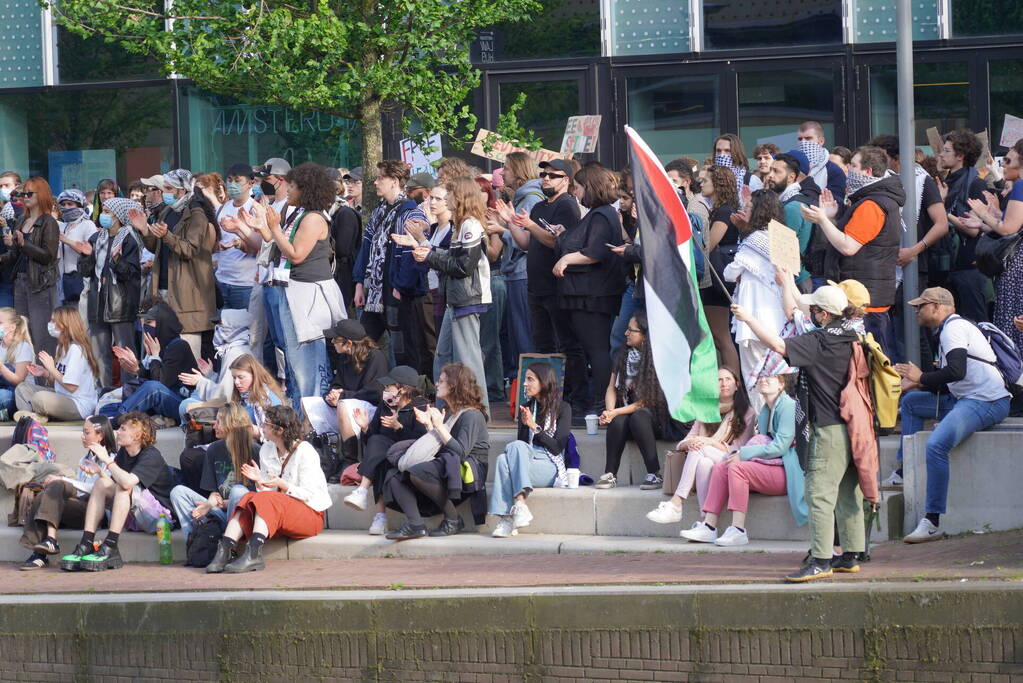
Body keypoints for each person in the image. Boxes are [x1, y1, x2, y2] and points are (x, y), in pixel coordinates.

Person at [731, 285, 866, 582]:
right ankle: (852, 554)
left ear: (824, 314)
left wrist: (749, 320)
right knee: (847, 490)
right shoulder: (853, 334)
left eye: (814, 310)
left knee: (818, 493)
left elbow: (780, 346)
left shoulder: (820, 340)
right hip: (854, 426)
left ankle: (821, 560)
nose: (811, 314)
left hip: (828, 429)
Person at [892, 287, 1011, 541]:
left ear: (937, 307)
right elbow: (957, 377)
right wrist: (920, 384)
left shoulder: (953, 328)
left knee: (936, 446)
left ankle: (932, 521)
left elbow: (956, 371)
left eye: (920, 306)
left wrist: (921, 376)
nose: (916, 311)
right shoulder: (950, 328)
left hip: (986, 400)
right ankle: (903, 471)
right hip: (966, 397)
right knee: (912, 403)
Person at [239, 163, 346, 409]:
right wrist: (262, 227)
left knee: (308, 360)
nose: (288, 190)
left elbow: (296, 254)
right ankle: (300, 412)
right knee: (294, 358)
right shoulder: (298, 214)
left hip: (308, 294)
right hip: (292, 290)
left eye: (294, 186)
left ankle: (314, 417)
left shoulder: (314, 218)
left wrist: (274, 228)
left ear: (305, 190)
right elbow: (277, 243)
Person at [674, 374, 808, 547]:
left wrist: (743, 453)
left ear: (781, 385)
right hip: (769, 466)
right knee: (721, 467)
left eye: (770, 378)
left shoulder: (788, 406)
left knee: (737, 468)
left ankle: (738, 530)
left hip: (788, 470)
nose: (763, 380)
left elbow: (780, 447)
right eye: (762, 377)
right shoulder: (766, 410)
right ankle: (709, 525)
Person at [802, 146, 904, 357]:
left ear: (867, 172)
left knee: (870, 361)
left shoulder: (872, 204)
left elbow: (848, 246)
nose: (849, 170)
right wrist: (831, 217)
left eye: (854, 166)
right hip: (866, 294)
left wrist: (822, 220)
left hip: (865, 299)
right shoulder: (872, 199)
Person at [205, 405, 330, 573]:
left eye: (266, 424)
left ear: (279, 430)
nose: (262, 426)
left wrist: (282, 485)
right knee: (248, 497)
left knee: (263, 499)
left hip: (310, 514)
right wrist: (260, 481)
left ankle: (254, 553)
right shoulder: (266, 449)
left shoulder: (305, 452)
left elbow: (310, 495)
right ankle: (226, 548)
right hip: (280, 513)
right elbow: (267, 495)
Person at [403, 177, 490, 395]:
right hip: (455, 298)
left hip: (466, 299)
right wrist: (425, 249)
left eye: (447, 194)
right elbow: (452, 257)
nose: (444, 199)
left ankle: (478, 409)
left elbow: (463, 267)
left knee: (468, 358)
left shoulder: (470, 225)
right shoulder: (462, 225)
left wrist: (428, 256)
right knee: (443, 355)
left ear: (458, 197)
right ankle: (447, 405)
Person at [384, 363, 489, 541]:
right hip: (447, 463)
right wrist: (430, 426)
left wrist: (438, 426)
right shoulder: (450, 412)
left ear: (454, 386)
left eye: (441, 381)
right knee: (393, 475)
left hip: (469, 469)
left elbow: (461, 452)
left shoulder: (472, 415)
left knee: (418, 472)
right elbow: (441, 445)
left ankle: (453, 519)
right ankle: (415, 524)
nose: (437, 384)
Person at [58, 412, 176, 571]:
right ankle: (86, 543)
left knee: (123, 486)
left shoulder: (151, 455)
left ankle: (111, 545)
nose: (117, 432)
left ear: (137, 435)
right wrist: (100, 473)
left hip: (160, 519)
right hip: (134, 513)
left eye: (123, 429)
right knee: (101, 483)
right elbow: (111, 485)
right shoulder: (124, 453)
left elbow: (127, 483)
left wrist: (107, 459)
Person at [553, 165, 626, 414]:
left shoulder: (601, 214)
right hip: (584, 293)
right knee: (592, 348)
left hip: (593, 294)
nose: (576, 192)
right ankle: (594, 401)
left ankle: (599, 403)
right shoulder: (598, 214)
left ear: (590, 187)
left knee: (596, 349)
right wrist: (565, 235)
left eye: (579, 187)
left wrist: (566, 259)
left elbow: (596, 252)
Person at [130, 169, 218, 363]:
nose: (165, 192)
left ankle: (193, 392)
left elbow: (190, 249)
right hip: (163, 289)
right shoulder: (167, 211)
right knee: (165, 352)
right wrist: (145, 229)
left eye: (169, 188)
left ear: (182, 190)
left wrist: (167, 236)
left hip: (187, 293)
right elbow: (157, 247)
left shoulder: (197, 215)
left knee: (188, 352)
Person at [644, 366, 754, 519]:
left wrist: (706, 441)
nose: (723, 383)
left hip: (732, 460)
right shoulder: (706, 410)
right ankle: (705, 521)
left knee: (699, 448)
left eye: (728, 379)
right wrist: (691, 443)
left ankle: (677, 502)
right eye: (719, 380)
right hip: (709, 457)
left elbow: (739, 448)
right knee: (703, 463)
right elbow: (682, 444)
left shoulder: (747, 412)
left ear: (737, 385)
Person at [504, 158, 582, 367]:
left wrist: (529, 224)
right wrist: (512, 223)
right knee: (542, 344)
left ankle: (573, 395)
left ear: (565, 180)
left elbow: (556, 242)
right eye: (543, 174)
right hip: (536, 287)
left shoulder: (567, 205)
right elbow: (526, 244)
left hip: (557, 286)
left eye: (552, 175)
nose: (546, 179)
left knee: (566, 344)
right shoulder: (539, 206)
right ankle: (547, 395)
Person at [353, 160, 430, 373]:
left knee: (404, 350)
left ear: (394, 181)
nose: (375, 182)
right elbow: (366, 247)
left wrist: (401, 286)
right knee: (361, 345)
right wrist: (359, 283)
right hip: (374, 294)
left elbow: (414, 250)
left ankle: (409, 395)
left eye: (380, 178)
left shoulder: (409, 210)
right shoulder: (380, 210)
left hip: (395, 292)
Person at [595, 313, 686, 490]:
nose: (626, 333)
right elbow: (612, 388)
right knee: (618, 419)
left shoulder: (660, 360)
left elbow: (647, 401)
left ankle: (654, 473)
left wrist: (615, 412)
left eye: (631, 330)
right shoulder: (623, 355)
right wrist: (609, 411)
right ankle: (610, 474)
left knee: (639, 416)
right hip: (628, 414)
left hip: (658, 421)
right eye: (627, 329)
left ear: (645, 335)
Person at [18, 415, 116, 570]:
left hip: (98, 514)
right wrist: (63, 482)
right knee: (46, 495)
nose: (83, 436)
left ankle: (42, 550)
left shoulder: (112, 459)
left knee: (57, 485)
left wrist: (65, 481)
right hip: (80, 507)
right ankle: (45, 547)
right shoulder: (84, 459)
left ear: (100, 435)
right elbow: (78, 492)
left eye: (87, 432)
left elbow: (99, 490)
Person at [342, 365, 429, 535]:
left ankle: (363, 492)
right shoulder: (385, 405)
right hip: (386, 452)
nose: (385, 389)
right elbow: (372, 439)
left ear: (402, 389)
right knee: (378, 453)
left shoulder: (420, 408)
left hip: (408, 454)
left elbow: (421, 441)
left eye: (389, 386)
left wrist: (399, 427)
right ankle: (379, 516)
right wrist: (365, 428)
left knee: (381, 453)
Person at [489, 362, 571, 538]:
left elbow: (557, 448)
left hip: (549, 463)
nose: (524, 384)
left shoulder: (563, 408)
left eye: (530, 379)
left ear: (544, 382)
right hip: (527, 460)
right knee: (503, 460)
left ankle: (513, 511)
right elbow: (521, 447)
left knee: (510, 453)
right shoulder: (527, 408)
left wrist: (533, 426)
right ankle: (511, 514)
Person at [724, 189, 787, 409]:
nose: (745, 210)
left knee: (756, 377)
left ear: (759, 211)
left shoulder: (754, 239)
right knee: (777, 378)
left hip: (754, 316)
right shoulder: (783, 236)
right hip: (778, 316)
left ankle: (761, 429)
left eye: (749, 207)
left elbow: (730, 272)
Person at [303, 320, 387, 471]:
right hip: (347, 406)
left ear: (348, 343)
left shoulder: (375, 357)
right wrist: (331, 396)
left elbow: (375, 393)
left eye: (336, 339)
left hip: (370, 410)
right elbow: (337, 384)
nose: (332, 342)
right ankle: (311, 454)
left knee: (343, 404)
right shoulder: (344, 357)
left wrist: (343, 396)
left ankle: (350, 460)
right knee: (307, 404)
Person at [169, 402, 261, 537]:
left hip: (243, 516)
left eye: (219, 422)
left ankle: (230, 542)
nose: (214, 425)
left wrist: (227, 503)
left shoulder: (256, 451)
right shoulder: (214, 449)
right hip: (220, 512)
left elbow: (258, 495)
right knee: (178, 492)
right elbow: (214, 492)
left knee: (238, 491)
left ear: (232, 425)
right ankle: (195, 541)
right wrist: (208, 504)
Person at [966, 139, 1023, 349]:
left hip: (1017, 268)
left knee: (1011, 325)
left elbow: (1009, 229)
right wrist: (988, 221)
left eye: (1008, 159)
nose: (1003, 164)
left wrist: (983, 214)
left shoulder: (1021, 186)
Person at [82, 197, 143, 388]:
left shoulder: (130, 239)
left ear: (118, 216)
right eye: (104, 211)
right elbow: (85, 271)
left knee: (125, 351)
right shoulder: (95, 238)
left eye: (108, 212)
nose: (103, 215)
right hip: (98, 301)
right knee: (100, 352)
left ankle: (129, 391)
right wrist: (87, 257)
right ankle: (104, 392)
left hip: (120, 303)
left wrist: (116, 260)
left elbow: (132, 273)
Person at [107, 301, 197, 425]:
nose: (145, 326)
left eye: (150, 322)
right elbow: (151, 379)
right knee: (108, 398)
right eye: (145, 322)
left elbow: (159, 384)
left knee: (152, 387)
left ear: (163, 323)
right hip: (165, 399)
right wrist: (137, 368)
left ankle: (119, 420)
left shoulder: (179, 346)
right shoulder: (160, 344)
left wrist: (154, 356)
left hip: (183, 404)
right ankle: (123, 417)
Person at [1, 177, 59, 356]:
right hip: (21, 281)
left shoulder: (49, 222)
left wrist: (23, 243)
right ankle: (25, 377)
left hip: (39, 284)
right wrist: (5, 254)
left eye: (29, 193)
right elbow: (15, 255)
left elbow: (48, 256)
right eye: (23, 193)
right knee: (23, 334)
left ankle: (44, 380)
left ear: (41, 195)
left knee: (42, 334)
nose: (25, 197)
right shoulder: (21, 220)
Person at [14, 305, 99, 423]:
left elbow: (71, 387)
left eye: (54, 321)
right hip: (62, 396)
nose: (50, 324)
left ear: (65, 325)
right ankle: (32, 419)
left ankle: (34, 417)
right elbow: (58, 382)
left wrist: (52, 369)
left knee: (40, 399)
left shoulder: (76, 349)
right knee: (22, 388)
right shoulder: (61, 346)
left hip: (78, 404)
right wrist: (45, 373)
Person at [940, 129, 991, 322]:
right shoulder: (948, 182)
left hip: (969, 267)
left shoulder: (975, 184)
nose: (940, 154)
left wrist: (944, 212)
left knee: (974, 325)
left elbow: (973, 230)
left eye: (946, 151)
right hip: (951, 266)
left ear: (960, 156)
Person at [700, 165, 742, 373]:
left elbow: (710, 243)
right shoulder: (720, 209)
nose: (701, 184)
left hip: (717, 279)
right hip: (717, 277)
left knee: (721, 335)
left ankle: (733, 382)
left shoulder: (724, 210)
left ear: (718, 184)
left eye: (705, 180)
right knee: (719, 336)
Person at [176, 309, 253, 421]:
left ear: (232, 327)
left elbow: (225, 396)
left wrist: (200, 381)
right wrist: (211, 374)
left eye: (220, 324)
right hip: (232, 404)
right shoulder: (232, 348)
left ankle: (193, 434)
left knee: (185, 405)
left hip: (234, 409)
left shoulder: (234, 352)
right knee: (195, 395)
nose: (216, 328)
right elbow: (226, 386)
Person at [212, 163, 259, 309]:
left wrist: (238, 243)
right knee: (223, 327)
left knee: (244, 328)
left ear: (250, 183)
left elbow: (260, 246)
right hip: (222, 279)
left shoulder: (255, 208)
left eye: (237, 181)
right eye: (230, 180)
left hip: (245, 283)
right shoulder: (222, 208)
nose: (232, 184)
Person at [55, 189, 97, 306]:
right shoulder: (62, 226)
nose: (66, 207)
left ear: (79, 205)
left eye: (70, 204)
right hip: (62, 281)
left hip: (81, 280)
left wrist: (66, 241)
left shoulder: (87, 224)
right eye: (63, 204)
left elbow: (89, 252)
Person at [796, 121, 847, 200]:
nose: (803, 142)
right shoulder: (792, 166)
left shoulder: (834, 171)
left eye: (808, 138)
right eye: (800, 139)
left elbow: (836, 204)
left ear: (821, 141)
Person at [0, 307, 33, 420]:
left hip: (18, 393)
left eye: (0, 322)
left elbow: (18, 380)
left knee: (3, 397)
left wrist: (1, 367)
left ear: (13, 327)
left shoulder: (23, 346)